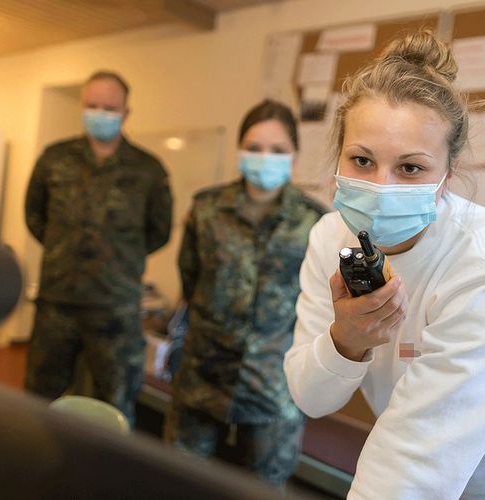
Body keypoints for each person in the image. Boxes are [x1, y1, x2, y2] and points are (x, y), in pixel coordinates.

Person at [284, 31, 485, 499]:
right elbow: (311, 396)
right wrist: (346, 341)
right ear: (339, 157)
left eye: (410, 168)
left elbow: (416, 457)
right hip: (423, 463)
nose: (381, 186)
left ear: (447, 175)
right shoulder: (330, 237)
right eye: (362, 160)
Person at [164, 100, 326, 487]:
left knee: (264, 487)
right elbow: (190, 278)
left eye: (277, 150)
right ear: (240, 150)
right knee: (180, 483)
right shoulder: (207, 209)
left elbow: (320, 304)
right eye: (254, 148)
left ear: (294, 156)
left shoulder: (316, 223)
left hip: (274, 385)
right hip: (202, 376)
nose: (264, 157)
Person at [24, 70, 173, 425]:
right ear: (81, 106)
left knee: (117, 399)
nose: (100, 113)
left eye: (109, 107)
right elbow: (35, 217)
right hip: (58, 302)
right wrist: (66, 249)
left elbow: (159, 231)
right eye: (92, 105)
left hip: (115, 307)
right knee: (38, 398)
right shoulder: (54, 159)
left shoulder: (148, 170)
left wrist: (117, 260)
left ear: (125, 113)